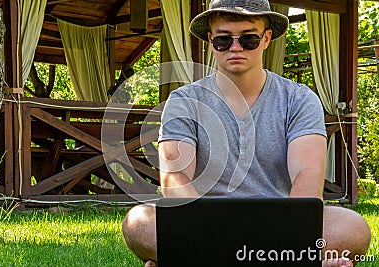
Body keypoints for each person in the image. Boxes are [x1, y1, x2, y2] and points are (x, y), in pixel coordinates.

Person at [122, 0, 371, 266]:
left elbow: (306, 175)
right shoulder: (183, 100)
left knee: (353, 227)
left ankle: (199, 258)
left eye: (249, 39)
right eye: (223, 40)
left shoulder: (298, 99)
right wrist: (201, 229)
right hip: (205, 224)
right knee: (138, 221)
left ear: (266, 39)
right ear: (210, 40)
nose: (236, 47)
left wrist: (291, 233)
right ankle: (284, 260)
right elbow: (175, 178)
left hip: (280, 224)